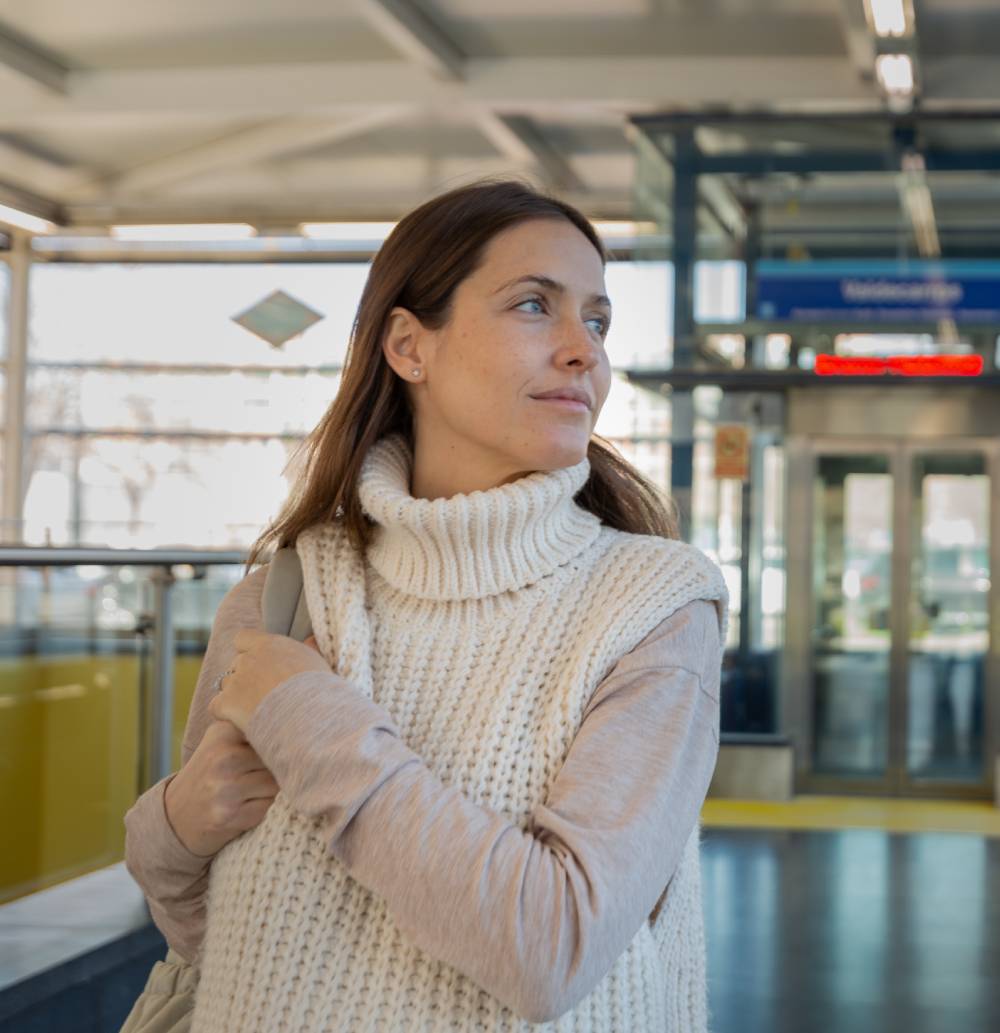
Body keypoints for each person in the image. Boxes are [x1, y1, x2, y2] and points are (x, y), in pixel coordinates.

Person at [123, 177, 729, 1032]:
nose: (582, 350)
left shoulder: (655, 608)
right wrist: (176, 820)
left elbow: (550, 944)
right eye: (533, 306)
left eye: (596, 320)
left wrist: (311, 721)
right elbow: (202, 925)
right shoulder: (285, 597)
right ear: (409, 346)